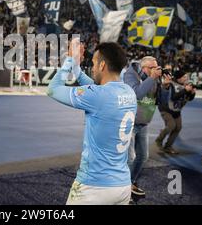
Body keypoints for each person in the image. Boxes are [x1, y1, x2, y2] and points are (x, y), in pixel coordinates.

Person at [47, 40, 137, 205]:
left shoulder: (97, 95)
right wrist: (77, 68)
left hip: (94, 187)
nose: (93, 67)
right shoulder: (128, 92)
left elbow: (53, 89)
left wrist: (70, 61)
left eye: (94, 63)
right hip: (122, 185)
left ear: (102, 65)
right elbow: (96, 89)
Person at [122, 56, 162, 197]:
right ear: (144, 67)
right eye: (153, 68)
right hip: (129, 123)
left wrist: (167, 85)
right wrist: (151, 78)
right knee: (129, 158)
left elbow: (160, 100)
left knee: (143, 156)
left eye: (157, 67)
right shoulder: (130, 74)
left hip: (143, 122)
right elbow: (136, 94)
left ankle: (130, 182)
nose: (156, 71)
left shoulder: (152, 77)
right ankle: (123, 192)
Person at [155, 70, 196, 154]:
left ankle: (168, 146)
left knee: (178, 127)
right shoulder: (171, 85)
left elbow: (189, 98)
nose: (186, 78)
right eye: (184, 77)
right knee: (171, 125)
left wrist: (192, 93)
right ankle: (159, 140)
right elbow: (173, 97)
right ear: (179, 78)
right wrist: (185, 90)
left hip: (176, 110)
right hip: (166, 109)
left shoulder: (186, 85)